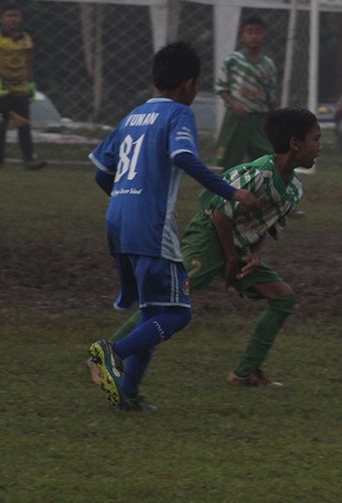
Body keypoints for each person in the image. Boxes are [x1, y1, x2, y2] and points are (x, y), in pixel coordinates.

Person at [87, 42, 260, 412]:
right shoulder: (179, 113)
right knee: (179, 313)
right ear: (188, 84)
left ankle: (129, 394)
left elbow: (102, 173)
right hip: (150, 227)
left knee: (153, 312)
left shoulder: (133, 116)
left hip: (118, 222)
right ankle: (113, 352)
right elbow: (183, 156)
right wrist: (233, 192)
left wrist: (128, 199)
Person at [95, 107, 321, 391]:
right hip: (209, 239)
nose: (320, 147)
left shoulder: (294, 188)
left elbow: (265, 223)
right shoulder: (258, 173)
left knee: (283, 297)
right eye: (316, 139)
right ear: (295, 143)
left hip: (236, 248)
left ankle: (246, 373)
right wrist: (230, 259)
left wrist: (255, 255)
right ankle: (109, 354)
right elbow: (219, 214)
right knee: (166, 303)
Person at [215, 15, 279, 170]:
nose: (254, 36)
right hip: (237, 117)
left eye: (258, 32)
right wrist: (234, 104)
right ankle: (226, 184)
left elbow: (271, 96)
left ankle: (263, 183)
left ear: (264, 36)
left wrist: (274, 119)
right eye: (249, 32)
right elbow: (222, 87)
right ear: (242, 37)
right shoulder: (233, 60)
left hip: (258, 119)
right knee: (229, 159)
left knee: (267, 159)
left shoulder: (268, 65)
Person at [0, 4, 46, 170]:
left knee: (23, 125)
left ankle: (29, 161)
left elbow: (28, 63)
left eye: (16, 15)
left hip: (20, 90)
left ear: (21, 18)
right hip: (0, 91)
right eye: (9, 15)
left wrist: (31, 84)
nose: (13, 19)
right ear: (2, 19)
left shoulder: (25, 39)